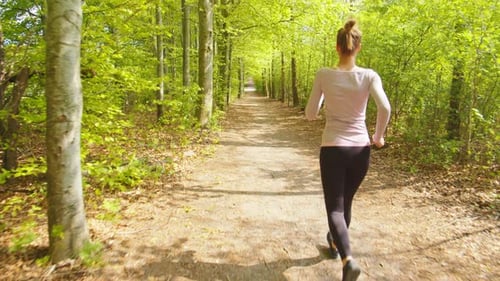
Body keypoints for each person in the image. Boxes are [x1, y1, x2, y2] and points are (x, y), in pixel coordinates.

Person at [305, 19, 391, 281]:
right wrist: (377, 137)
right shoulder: (369, 75)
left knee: (335, 208)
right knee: (346, 202)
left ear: (337, 47)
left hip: (333, 147)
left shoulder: (324, 75)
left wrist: (322, 99)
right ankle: (334, 243)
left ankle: (348, 260)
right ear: (358, 47)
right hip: (360, 150)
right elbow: (385, 108)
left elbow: (310, 114)